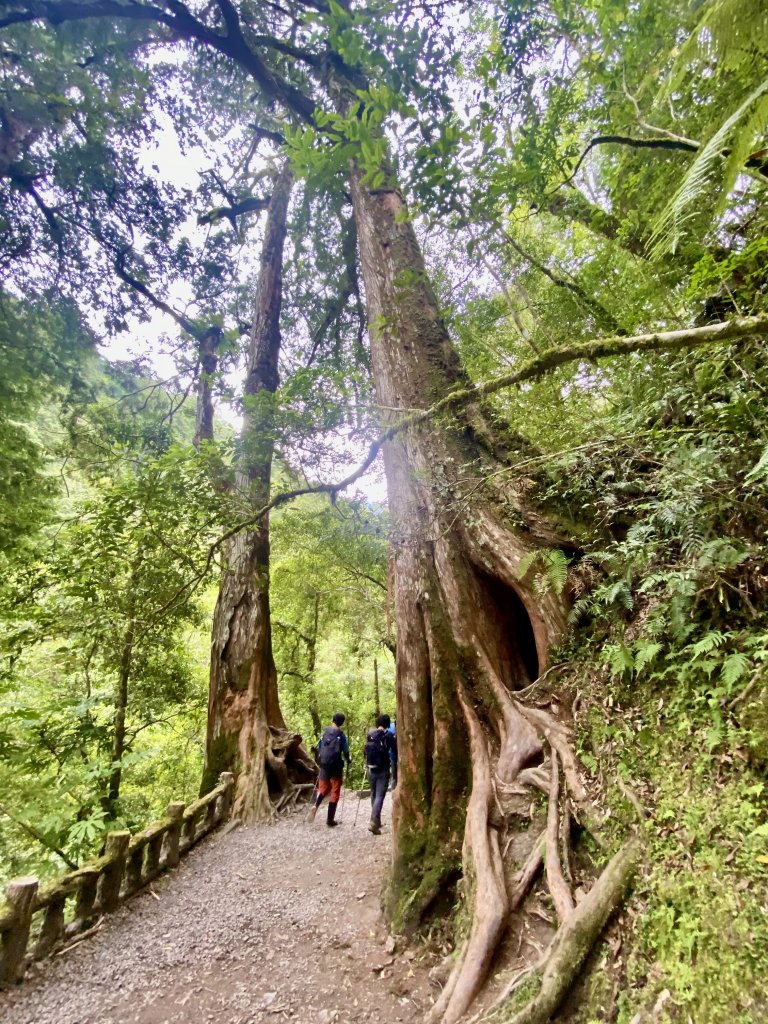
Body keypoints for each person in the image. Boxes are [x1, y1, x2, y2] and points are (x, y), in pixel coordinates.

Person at [306, 712, 350, 827]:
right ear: (341, 723)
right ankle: (330, 820)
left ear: (333, 720)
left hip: (324, 764)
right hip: (336, 766)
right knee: (335, 790)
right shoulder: (341, 735)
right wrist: (348, 760)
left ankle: (316, 804)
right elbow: (345, 751)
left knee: (323, 787)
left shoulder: (324, 732)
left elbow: (319, 747)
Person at [364, 713, 397, 835]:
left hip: (370, 768)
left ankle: (376, 820)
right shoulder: (387, 735)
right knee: (379, 796)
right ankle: (373, 822)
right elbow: (395, 748)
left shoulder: (370, 734)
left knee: (373, 793)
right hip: (382, 769)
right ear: (388, 724)